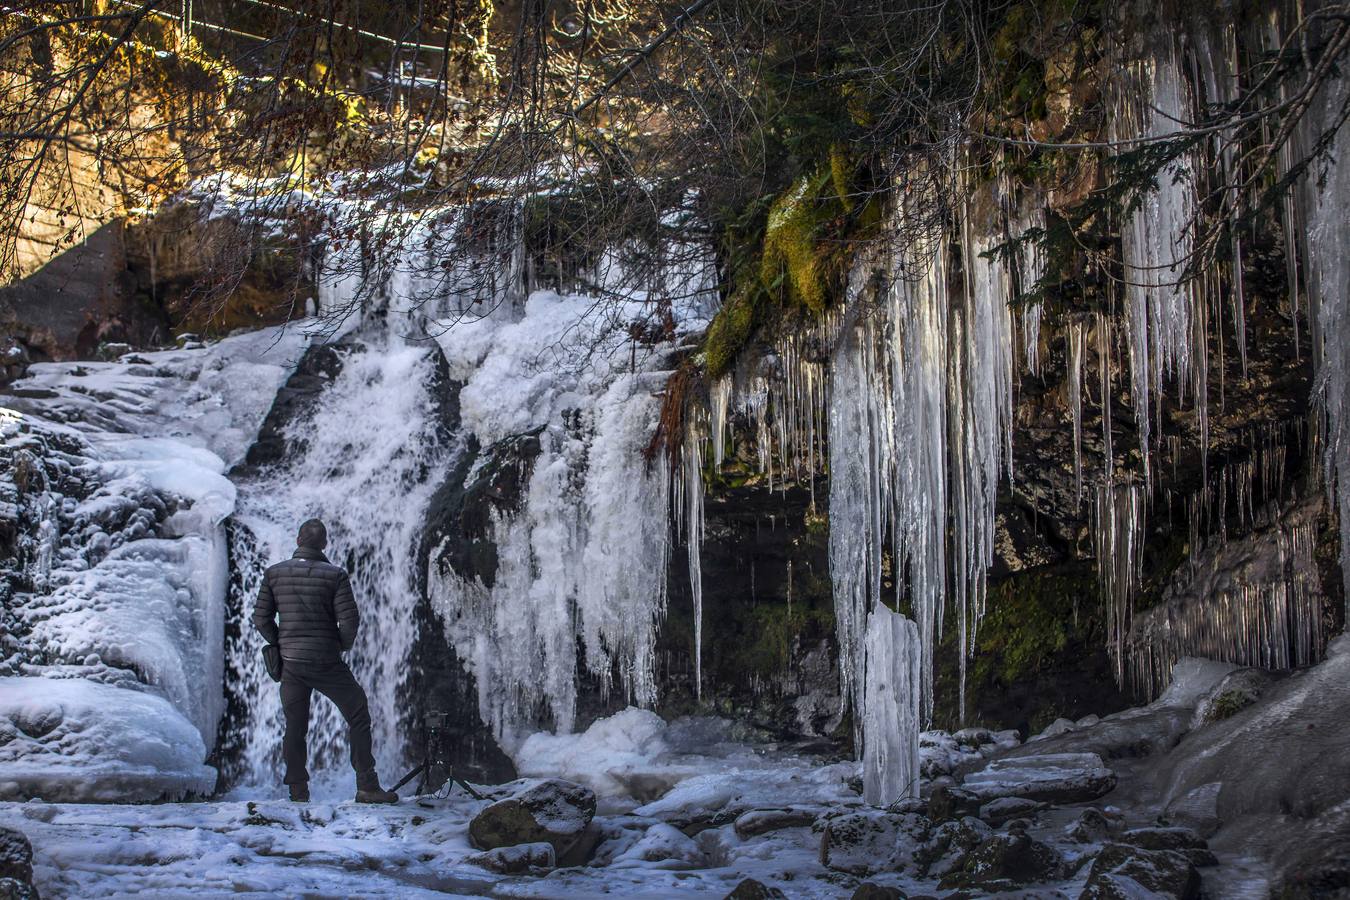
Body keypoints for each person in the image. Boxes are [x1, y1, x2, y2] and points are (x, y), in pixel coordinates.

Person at [251, 518, 398, 804]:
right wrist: (341, 645)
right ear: (325, 544)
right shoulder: (335, 575)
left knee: (295, 726)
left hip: (291, 662)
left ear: (297, 541)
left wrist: (279, 642)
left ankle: (298, 791)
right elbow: (350, 620)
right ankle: (367, 786)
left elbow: (260, 618)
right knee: (357, 714)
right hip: (327, 661)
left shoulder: (274, 573)